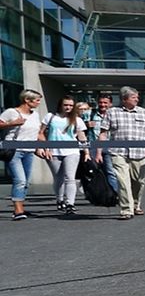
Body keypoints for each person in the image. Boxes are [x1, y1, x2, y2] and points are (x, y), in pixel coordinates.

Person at [97, 86, 145, 220]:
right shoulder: (112, 112)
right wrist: (99, 152)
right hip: (118, 153)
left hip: (139, 153)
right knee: (123, 182)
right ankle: (126, 210)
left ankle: (135, 204)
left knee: (139, 182)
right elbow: (103, 134)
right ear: (124, 99)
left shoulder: (144, 113)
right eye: (134, 98)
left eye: (137, 97)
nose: (137, 100)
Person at [1, 89, 44, 221]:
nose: (38, 103)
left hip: (29, 151)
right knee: (20, 180)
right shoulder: (11, 112)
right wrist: (11, 123)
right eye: (37, 100)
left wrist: (41, 148)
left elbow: (36, 134)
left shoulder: (35, 115)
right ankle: (18, 211)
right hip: (14, 150)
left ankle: (21, 207)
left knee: (26, 182)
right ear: (27, 100)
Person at [39, 95, 87, 214]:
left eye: (71, 105)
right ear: (61, 105)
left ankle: (70, 203)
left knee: (70, 178)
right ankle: (60, 200)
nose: (68, 107)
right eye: (66, 105)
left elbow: (82, 136)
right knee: (58, 178)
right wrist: (45, 148)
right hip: (53, 151)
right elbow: (40, 133)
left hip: (72, 151)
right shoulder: (50, 117)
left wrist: (86, 151)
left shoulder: (77, 119)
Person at [91, 95, 120, 192]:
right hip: (93, 146)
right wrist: (87, 125)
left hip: (110, 146)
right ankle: (97, 194)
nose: (102, 105)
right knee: (94, 171)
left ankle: (114, 194)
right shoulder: (90, 114)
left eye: (105, 103)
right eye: (100, 102)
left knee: (111, 172)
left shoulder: (116, 115)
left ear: (110, 104)